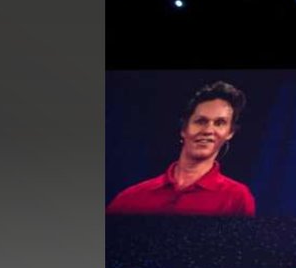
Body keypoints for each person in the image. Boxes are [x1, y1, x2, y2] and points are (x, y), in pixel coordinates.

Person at [106, 81, 256, 217]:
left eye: (220, 123)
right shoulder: (131, 198)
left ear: (230, 133)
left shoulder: (236, 199)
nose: (208, 130)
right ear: (184, 129)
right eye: (200, 121)